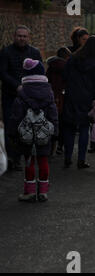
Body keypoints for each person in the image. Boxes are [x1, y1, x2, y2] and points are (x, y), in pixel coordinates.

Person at [7, 58, 58, 202]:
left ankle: (29, 192)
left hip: (26, 135)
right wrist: (55, 133)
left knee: (29, 161)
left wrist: (12, 133)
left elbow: (16, 116)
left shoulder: (22, 94)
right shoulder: (49, 93)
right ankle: (43, 192)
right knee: (43, 161)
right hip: (44, 134)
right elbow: (53, 115)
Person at [0, 25, 42, 171]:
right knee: (11, 127)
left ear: (28, 37)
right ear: (14, 36)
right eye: (19, 35)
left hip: (29, 98)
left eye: (24, 36)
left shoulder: (35, 52)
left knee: (26, 127)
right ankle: (12, 158)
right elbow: (3, 73)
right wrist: (16, 85)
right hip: (10, 96)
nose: (21, 38)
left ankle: (25, 156)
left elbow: (40, 72)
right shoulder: (5, 52)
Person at [62, 36, 95, 169]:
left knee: (69, 128)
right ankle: (81, 159)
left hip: (71, 96)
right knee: (84, 129)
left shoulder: (73, 59)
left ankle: (67, 158)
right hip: (87, 99)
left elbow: (65, 76)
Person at [46, 47, 71, 155]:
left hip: (51, 97)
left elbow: (47, 81)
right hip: (63, 97)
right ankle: (59, 146)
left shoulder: (51, 66)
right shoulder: (68, 68)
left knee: (50, 121)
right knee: (62, 124)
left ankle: (49, 147)